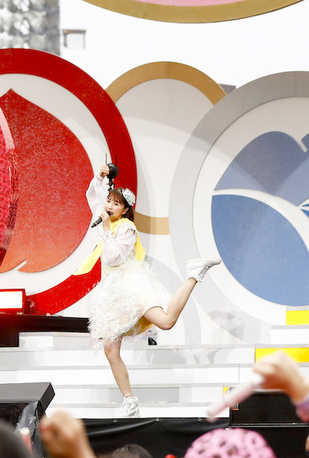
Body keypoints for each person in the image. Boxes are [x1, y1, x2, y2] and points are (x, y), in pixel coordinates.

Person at [76, 164, 221, 417]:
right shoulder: (106, 222)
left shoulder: (126, 229)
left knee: (166, 321)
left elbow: (112, 257)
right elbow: (95, 198)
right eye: (109, 202)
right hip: (112, 293)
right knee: (110, 349)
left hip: (130, 287)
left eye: (116, 204)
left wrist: (107, 230)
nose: (109, 206)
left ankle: (193, 275)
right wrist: (100, 177)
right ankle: (129, 401)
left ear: (125, 210)